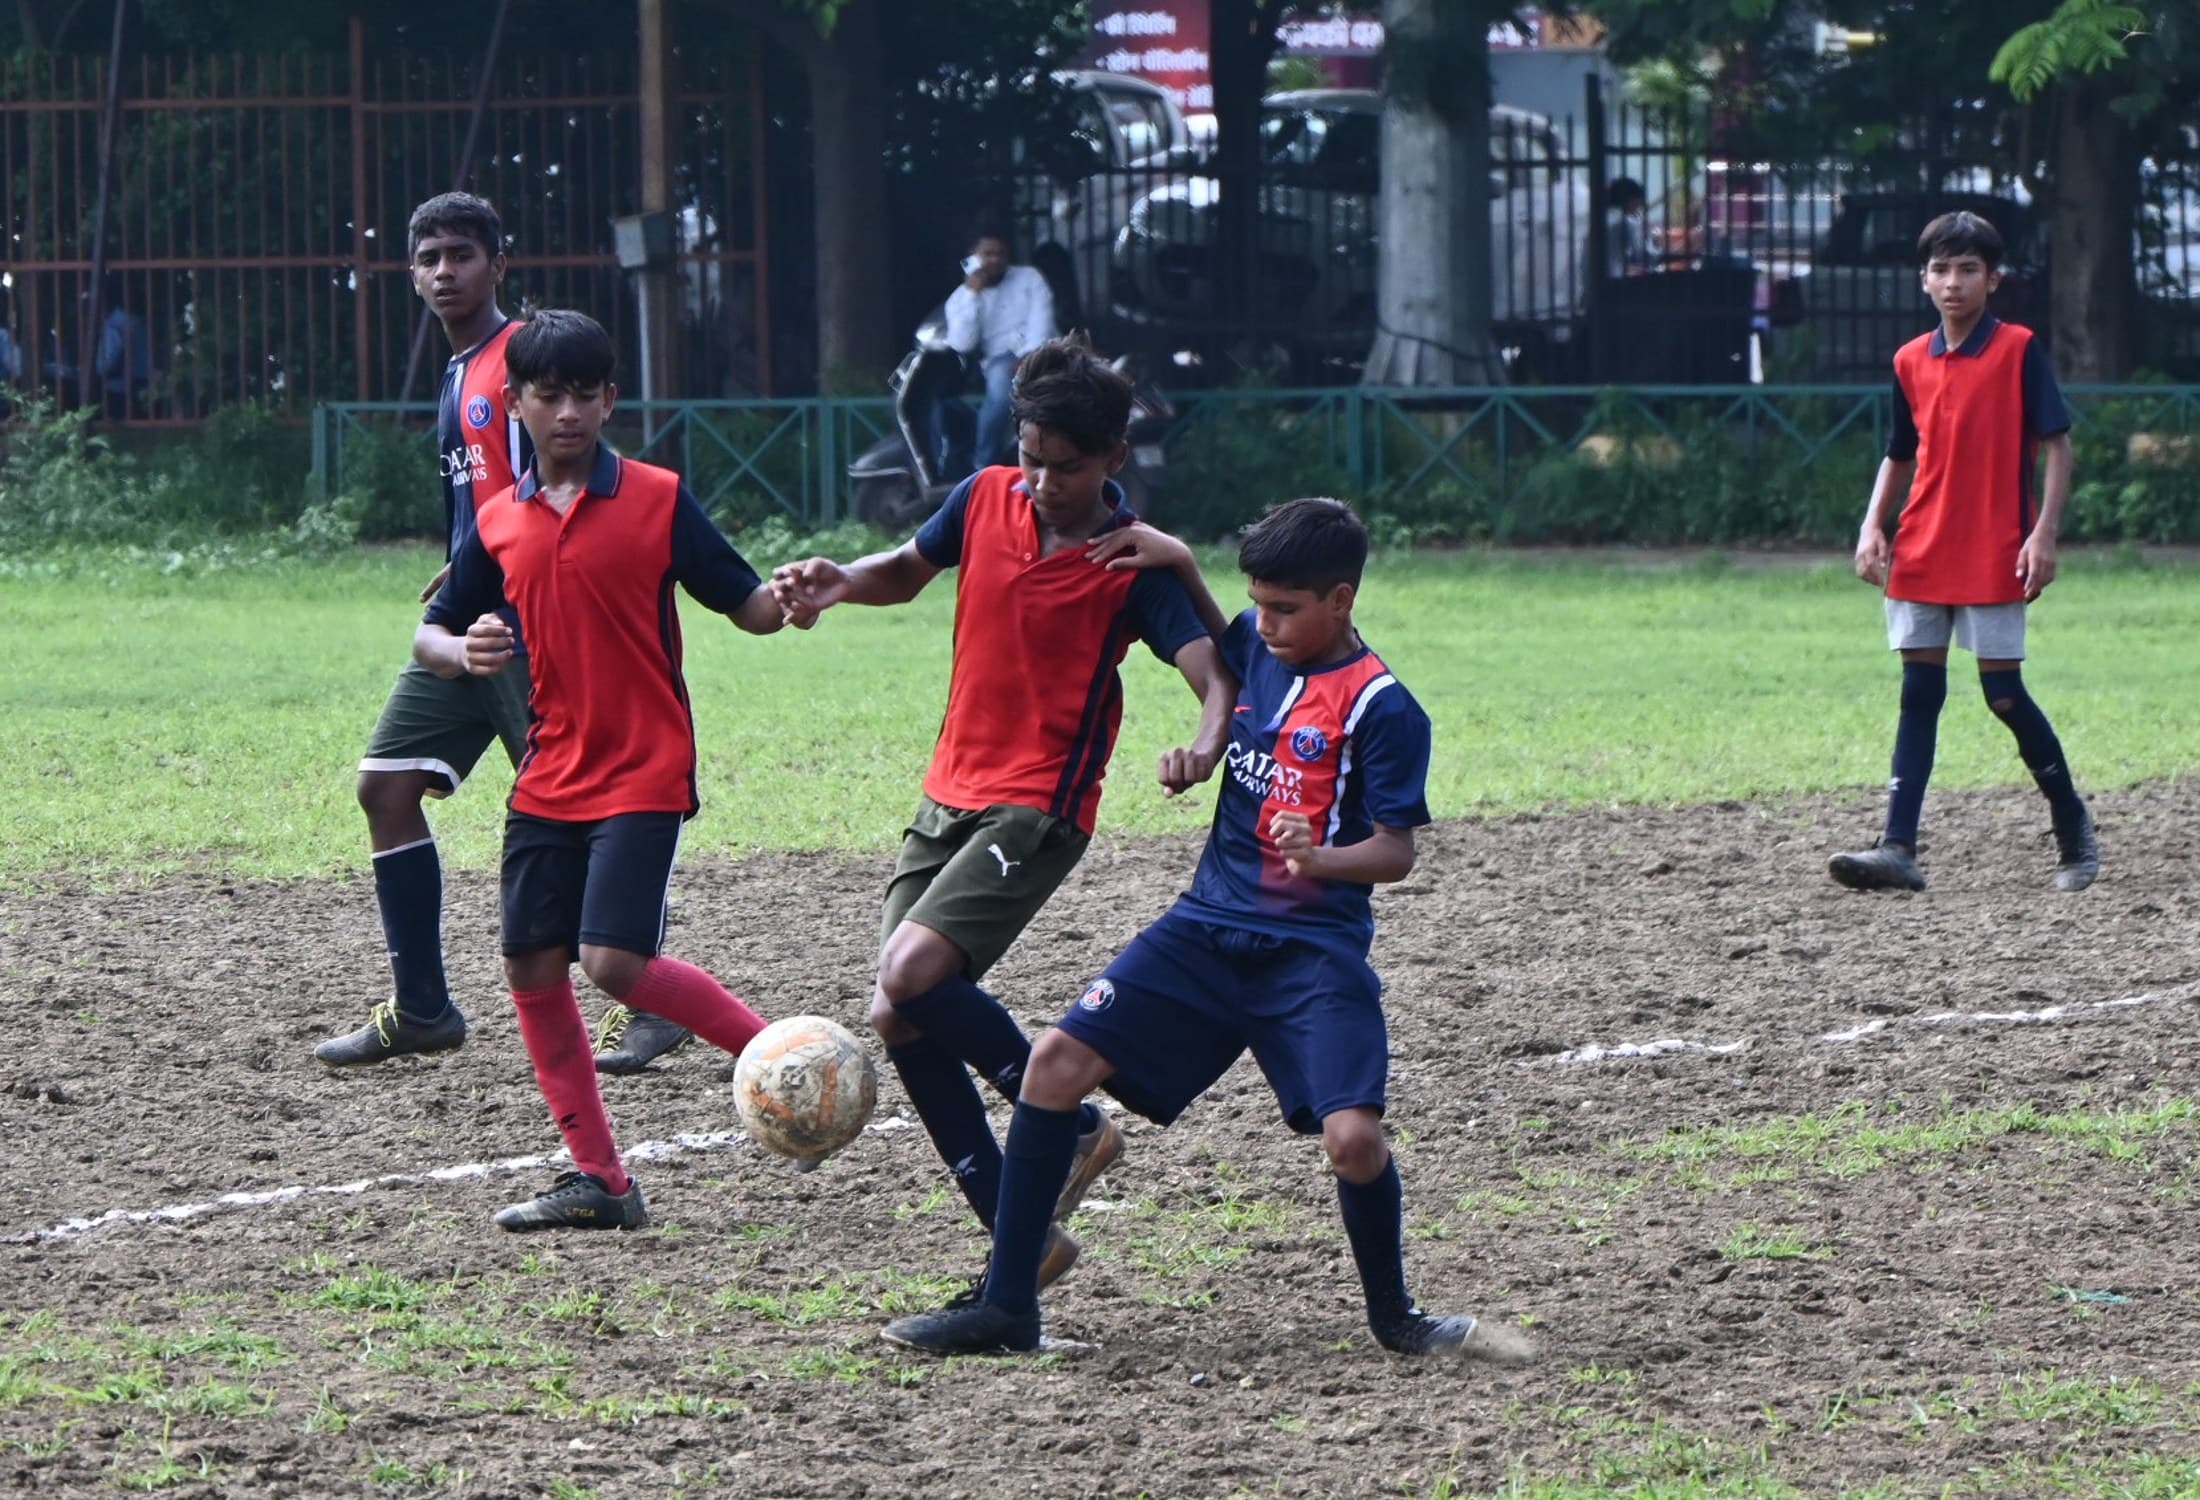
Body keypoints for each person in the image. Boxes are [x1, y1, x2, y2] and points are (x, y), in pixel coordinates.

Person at [876, 499, 1534, 1364]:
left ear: (1341, 600)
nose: (1264, 624)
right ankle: (1008, 1310)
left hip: (1309, 954)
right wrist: (1183, 563)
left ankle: (1396, 1318)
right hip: (1203, 930)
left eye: (1286, 608)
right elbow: (1216, 657)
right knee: (1053, 1065)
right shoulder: (1258, 650)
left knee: (1354, 1141)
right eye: (1257, 604)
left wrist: (1322, 857)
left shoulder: (1384, 709)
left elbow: (1396, 852)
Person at [771, 335, 1236, 1297]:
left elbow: (1214, 674)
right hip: (950, 789)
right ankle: (1018, 1234)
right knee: (896, 1013)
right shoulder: (985, 496)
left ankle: (1069, 1123)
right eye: (1030, 456)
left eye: (1065, 467)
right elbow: (906, 565)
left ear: (1113, 457)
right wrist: (841, 580)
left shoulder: (1130, 562)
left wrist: (1205, 738)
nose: (1041, 481)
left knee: (907, 973)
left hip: (1039, 805)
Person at [417, 308, 787, 1230]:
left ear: (610, 400)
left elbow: (747, 605)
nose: (568, 411)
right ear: (516, 403)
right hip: (549, 773)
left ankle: (788, 1059)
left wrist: (791, 598)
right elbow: (430, 630)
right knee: (531, 966)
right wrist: (461, 652)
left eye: (586, 394)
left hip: (644, 769)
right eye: (549, 394)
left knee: (614, 961)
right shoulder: (497, 524)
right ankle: (603, 1182)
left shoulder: (659, 499)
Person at [316, 192, 685, 1073]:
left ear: (498, 265)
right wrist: (467, 560)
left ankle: (650, 994)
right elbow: (492, 502)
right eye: (430, 258)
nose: (446, 272)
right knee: (385, 785)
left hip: (536, 633)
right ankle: (424, 1008)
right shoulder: (457, 370)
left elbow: (568, 476)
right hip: (468, 629)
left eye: (463, 255)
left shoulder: (518, 360)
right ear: (411, 272)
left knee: (601, 803)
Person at [1829, 210, 2098, 894]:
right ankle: (1898, 847)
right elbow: (1899, 452)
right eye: (1942, 269)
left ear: (1993, 279)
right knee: (1919, 693)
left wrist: (2044, 532)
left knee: (2003, 694)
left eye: (1968, 269)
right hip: (1922, 547)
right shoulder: (1908, 360)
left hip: (1995, 548)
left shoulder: (2018, 350)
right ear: (1924, 279)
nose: (1954, 283)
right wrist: (1871, 526)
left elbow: (2059, 445)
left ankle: (2070, 820)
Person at [935, 228, 1056, 478]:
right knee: (1001, 397)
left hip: (1042, 351)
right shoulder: (961, 298)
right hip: (1000, 360)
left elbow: (1041, 319)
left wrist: (1030, 354)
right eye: (987, 254)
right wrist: (972, 295)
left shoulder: (1029, 278)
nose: (995, 260)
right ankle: (983, 466)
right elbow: (961, 343)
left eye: (1000, 254)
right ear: (973, 257)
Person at [94, 272, 154, 420]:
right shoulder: (137, 322)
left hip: (118, 390)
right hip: (141, 386)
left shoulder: (114, 325)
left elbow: (106, 365)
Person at [1603, 177, 1650, 279]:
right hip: (1613, 282)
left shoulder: (1600, 218)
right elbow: (1640, 254)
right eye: (1639, 201)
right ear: (1630, 199)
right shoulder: (1626, 222)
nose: (1639, 206)